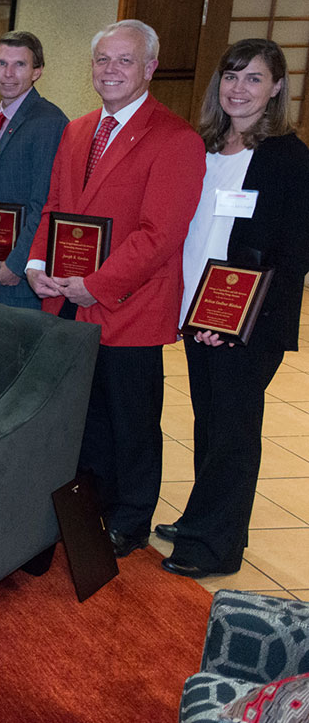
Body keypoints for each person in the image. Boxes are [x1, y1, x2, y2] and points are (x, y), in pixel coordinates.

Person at [26, 20, 205, 557]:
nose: (111, 70)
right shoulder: (78, 129)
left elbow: (160, 236)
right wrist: (38, 261)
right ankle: (89, 505)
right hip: (68, 299)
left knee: (132, 421)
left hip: (131, 305)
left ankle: (130, 517)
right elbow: (56, 204)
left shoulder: (176, 139)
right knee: (85, 414)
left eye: (124, 60)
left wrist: (97, 285)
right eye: (102, 59)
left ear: (150, 67)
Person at [157, 39, 309, 578]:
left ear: (274, 89)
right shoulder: (203, 147)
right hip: (200, 314)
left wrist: (238, 324)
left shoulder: (288, 159)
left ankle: (214, 546)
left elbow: (294, 258)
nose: (238, 88)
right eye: (231, 76)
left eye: (252, 78)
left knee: (233, 432)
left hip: (247, 325)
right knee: (210, 422)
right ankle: (205, 516)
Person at [0, 31, 68, 309]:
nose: (8, 73)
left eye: (20, 64)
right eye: (1, 63)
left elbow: (44, 202)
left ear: (37, 72)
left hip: (18, 276)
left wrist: (18, 263)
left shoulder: (49, 123)